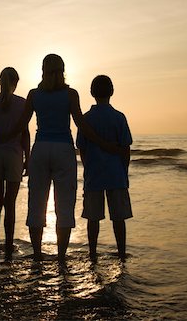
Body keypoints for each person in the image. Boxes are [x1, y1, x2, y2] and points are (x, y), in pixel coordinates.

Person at [2, 54, 123, 263]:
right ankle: (60, 258)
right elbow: (81, 125)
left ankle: (38, 255)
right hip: (64, 150)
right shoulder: (70, 94)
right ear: (63, 70)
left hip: (40, 150)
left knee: (36, 202)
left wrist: (0, 139)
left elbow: (21, 126)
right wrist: (104, 143)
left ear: (43, 70)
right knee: (64, 204)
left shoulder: (34, 94)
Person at [76, 75, 133, 262]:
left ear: (92, 93)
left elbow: (82, 149)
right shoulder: (119, 117)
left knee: (93, 218)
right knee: (119, 218)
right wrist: (124, 172)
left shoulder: (86, 119)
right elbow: (125, 150)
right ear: (112, 92)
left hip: (94, 174)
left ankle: (92, 254)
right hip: (116, 174)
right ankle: (122, 253)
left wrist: (88, 168)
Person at [0, 67, 30, 259]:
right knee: (9, 203)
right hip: (13, 155)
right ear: (16, 83)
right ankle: (9, 245)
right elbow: (25, 133)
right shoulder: (22, 104)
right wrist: (28, 157)